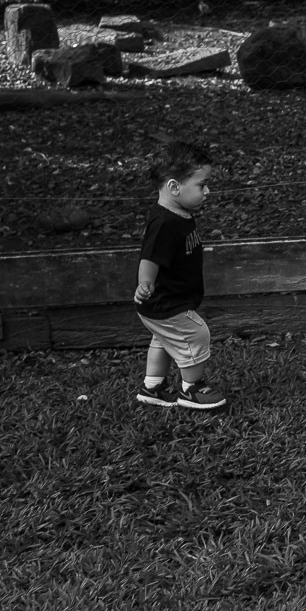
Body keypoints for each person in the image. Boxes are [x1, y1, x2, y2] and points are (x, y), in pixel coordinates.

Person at [133, 138, 226, 410]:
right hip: (165, 303)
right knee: (196, 334)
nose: (207, 191)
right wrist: (145, 282)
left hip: (167, 300)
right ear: (174, 187)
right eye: (201, 185)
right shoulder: (164, 223)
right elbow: (149, 257)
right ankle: (192, 389)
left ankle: (152, 387)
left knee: (163, 339)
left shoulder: (179, 212)